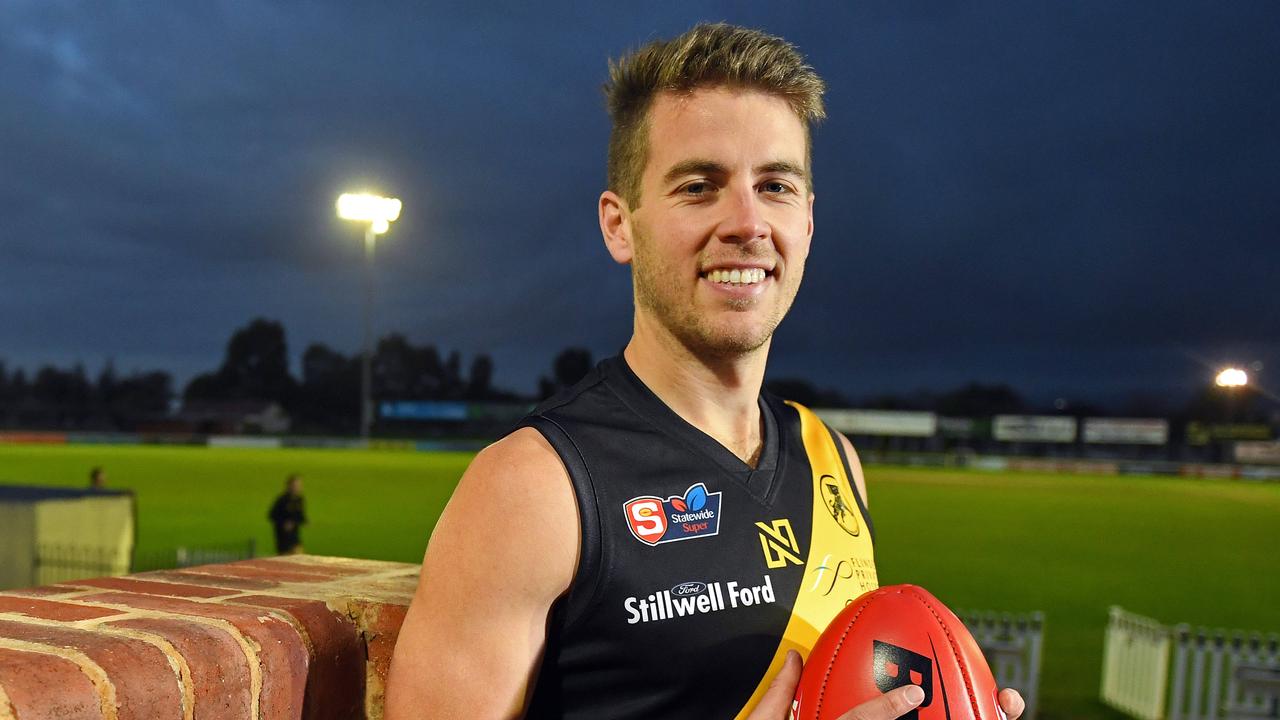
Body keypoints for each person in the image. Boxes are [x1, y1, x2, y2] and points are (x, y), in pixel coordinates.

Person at [386, 23, 1026, 720]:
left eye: (775, 185)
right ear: (619, 225)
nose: (747, 222)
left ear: (807, 222)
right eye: (699, 186)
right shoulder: (532, 489)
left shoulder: (831, 458)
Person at [268, 473, 306, 555]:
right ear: (289, 486)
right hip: (283, 538)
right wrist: (284, 523)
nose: (297, 488)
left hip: (295, 537)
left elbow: (300, 515)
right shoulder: (282, 500)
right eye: (295, 485)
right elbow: (272, 515)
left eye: (299, 485)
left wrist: (303, 521)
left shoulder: (299, 499)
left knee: (298, 557)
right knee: (285, 561)